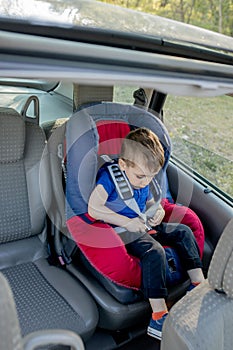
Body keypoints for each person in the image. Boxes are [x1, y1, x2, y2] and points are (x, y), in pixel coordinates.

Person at [88, 127, 205, 340]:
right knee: (155, 252)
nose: (145, 181)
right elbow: (93, 208)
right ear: (123, 165)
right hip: (122, 230)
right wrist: (127, 222)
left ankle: (198, 286)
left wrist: (158, 211)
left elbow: (151, 202)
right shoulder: (110, 177)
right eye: (141, 176)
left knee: (184, 231)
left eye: (151, 177)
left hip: (143, 225)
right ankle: (158, 315)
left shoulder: (144, 179)